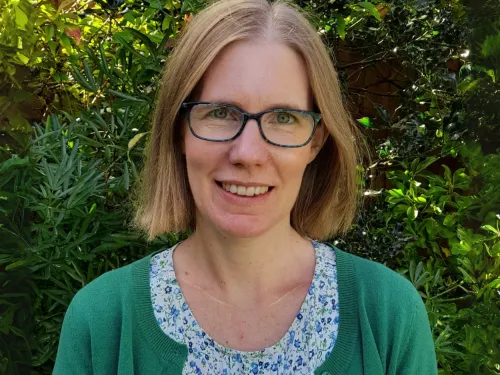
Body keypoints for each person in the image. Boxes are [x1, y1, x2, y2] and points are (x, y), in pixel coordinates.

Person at [53, 0, 438, 374]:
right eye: (221, 113)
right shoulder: (102, 321)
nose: (248, 153)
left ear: (316, 141)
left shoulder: (388, 314)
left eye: (284, 118)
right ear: (179, 130)